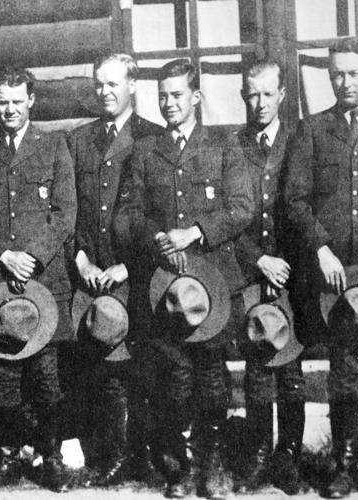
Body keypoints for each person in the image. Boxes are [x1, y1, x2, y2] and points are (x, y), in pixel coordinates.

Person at [114, 59, 253, 499]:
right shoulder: (144, 150)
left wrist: (194, 232)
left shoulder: (224, 145)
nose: (169, 103)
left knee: (212, 376)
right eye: (163, 96)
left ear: (196, 97)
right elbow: (126, 215)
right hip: (165, 287)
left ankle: (212, 468)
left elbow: (241, 206)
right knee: (175, 377)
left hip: (212, 285)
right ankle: (182, 468)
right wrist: (154, 237)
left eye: (178, 95)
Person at [284, 37, 358, 499]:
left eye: (353, 72)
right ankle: (343, 463)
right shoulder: (312, 130)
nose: (344, 81)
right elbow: (293, 200)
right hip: (334, 278)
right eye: (336, 73)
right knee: (341, 369)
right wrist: (320, 249)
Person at [0, 66, 76, 492]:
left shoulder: (54, 146)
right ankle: (8, 457)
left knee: (48, 379)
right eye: (2, 102)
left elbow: (65, 213)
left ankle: (51, 457)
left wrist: (32, 256)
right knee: (3, 380)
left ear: (32, 101)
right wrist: (3, 255)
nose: (9, 109)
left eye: (17, 101)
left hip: (43, 281)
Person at [67, 53, 163, 485]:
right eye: (99, 84)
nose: (105, 92)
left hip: (136, 275)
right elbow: (67, 210)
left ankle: (138, 454)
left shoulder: (153, 137)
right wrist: (80, 258)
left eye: (113, 84)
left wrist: (130, 266)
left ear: (133, 85)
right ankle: (104, 453)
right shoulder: (78, 140)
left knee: (136, 366)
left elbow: (163, 216)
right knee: (95, 365)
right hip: (91, 273)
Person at [234, 59, 306, 494]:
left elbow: (304, 210)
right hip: (250, 271)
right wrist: (258, 260)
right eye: (251, 94)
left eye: (267, 94)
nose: (259, 103)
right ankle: (259, 454)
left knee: (291, 365)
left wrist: (285, 264)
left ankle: (290, 454)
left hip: (293, 275)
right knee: (258, 363)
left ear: (282, 95)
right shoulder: (234, 144)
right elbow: (229, 219)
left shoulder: (300, 140)